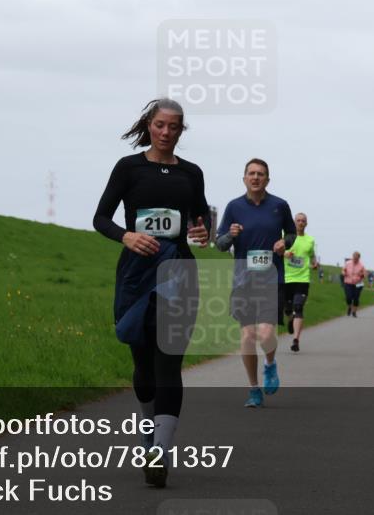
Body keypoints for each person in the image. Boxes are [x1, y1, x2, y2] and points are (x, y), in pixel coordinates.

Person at [93, 98, 209, 488]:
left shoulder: (192, 173)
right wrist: (126, 235)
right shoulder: (128, 168)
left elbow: (198, 218)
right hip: (136, 273)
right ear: (148, 125)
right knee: (143, 368)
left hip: (179, 271)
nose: (166, 132)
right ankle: (149, 435)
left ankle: (160, 451)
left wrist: (201, 232)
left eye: (174, 126)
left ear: (181, 130)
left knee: (168, 362)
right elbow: (100, 218)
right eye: (160, 125)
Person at [216, 159, 296, 408]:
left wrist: (285, 243)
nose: (256, 177)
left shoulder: (279, 206)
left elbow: (291, 233)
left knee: (266, 333)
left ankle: (270, 365)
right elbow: (220, 244)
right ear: (244, 178)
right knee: (249, 335)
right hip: (243, 280)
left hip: (272, 278)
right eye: (251, 173)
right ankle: (253, 389)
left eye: (260, 174)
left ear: (267, 180)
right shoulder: (234, 207)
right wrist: (231, 235)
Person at [283, 212, 318, 352]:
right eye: (298, 220)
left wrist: (315, 263)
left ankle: (296, 340)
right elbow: (277, 250)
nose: (301, 223)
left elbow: (312, 255)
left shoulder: (310, 240)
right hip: (286, 279)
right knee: (287, 309)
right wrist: (284, 253)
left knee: (298, 307)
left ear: (306, 223)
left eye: (303, 221)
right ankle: (290, 319)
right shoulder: (286, 237)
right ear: (294, 222)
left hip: (302, 279)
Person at [342, 252, 367, 317]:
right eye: (354, 258)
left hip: (358, 284)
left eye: (356, 258)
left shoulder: (361, 265)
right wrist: (344, 273)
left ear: (359, 258)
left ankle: (354, 312)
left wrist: (362, 275)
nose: (355, 259)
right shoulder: (348, 263)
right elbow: (343, 270)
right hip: (348, 282)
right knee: (348, 297)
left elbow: (365, 274)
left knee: (356, 298)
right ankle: (349, 307)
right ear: (352, 257)